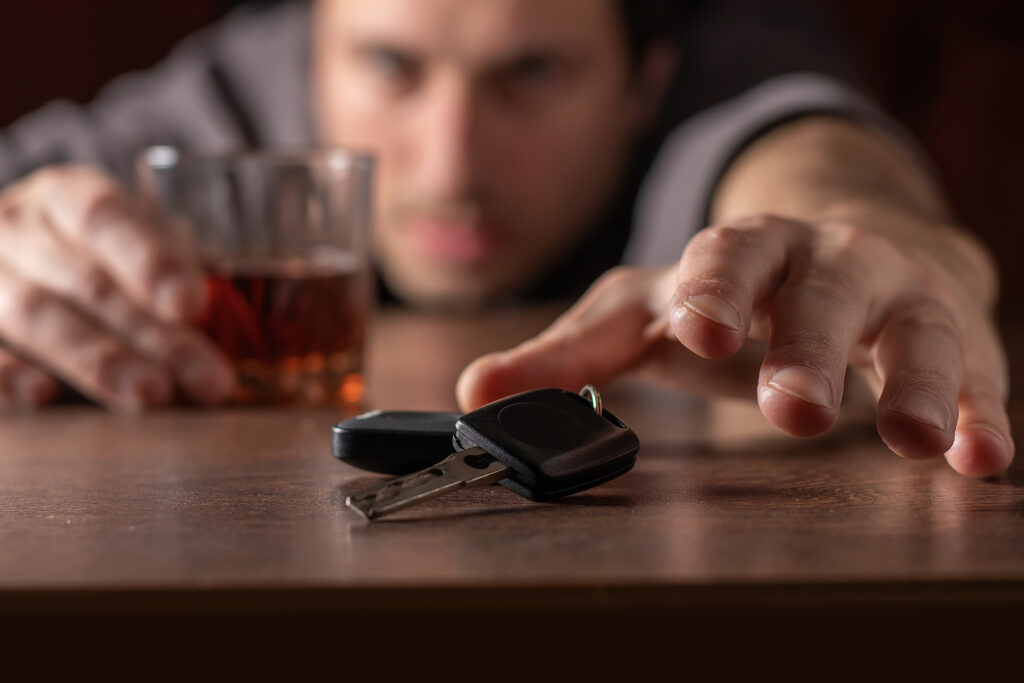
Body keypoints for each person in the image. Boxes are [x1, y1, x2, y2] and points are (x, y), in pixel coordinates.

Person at [0, 0, 1012, 478]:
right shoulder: (241, 87)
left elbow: (818, 164)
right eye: (391, 66)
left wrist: (878, 241)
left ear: (642, 83)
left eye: (529, 76)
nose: (450, 167)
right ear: (305, 55)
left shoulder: (727, 61)